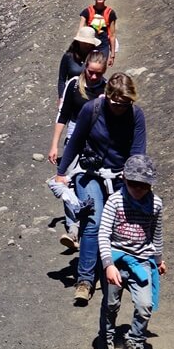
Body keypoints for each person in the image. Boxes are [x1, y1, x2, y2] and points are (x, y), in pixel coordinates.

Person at [53, 72, 146, 305]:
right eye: (116, 103)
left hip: (120, 175)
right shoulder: (92, 109)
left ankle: (119, 273)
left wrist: (132, 174)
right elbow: (75, 141)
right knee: (93, 221)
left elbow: (138, 150)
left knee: (120, 223)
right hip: (89, 172)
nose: (120, 108)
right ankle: (84, 280)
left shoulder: (136, 116)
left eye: (126, 103)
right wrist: (61, 173)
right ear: (107, 97)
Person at [98, 154, 165, 349]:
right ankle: (106, 338)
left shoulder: (155, 204)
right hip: (116, 259)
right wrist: (108, 264)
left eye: (144, 185)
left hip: (141, 260)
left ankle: (136, 341)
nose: (138, 189)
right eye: (134, 184)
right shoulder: (115, 201)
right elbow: (103, 234)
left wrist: (159, 259)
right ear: (124, 179)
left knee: (145, 305)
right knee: (110, 304)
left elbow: (156, 234)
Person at [48, 50, 108, 248]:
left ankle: (93, 225)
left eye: (98, 73)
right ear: (85, 68)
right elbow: (62, 115)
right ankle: (73, 229)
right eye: (90, 72)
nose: (93, 77)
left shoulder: (107, 89)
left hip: (96, 140)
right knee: (65, 181)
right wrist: (54, 144)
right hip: (74, 135)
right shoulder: (73, 85)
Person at [56, 25, 103, 100]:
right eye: (85, 42)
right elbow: (62, 79)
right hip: (71, 95)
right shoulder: (68, 57)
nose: (87, 45)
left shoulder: (95, 57)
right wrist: (61, 97)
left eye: (89, 42)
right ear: (79, 42)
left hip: (91, 96)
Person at [79, 0, 118, 67]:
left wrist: (112, 54)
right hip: (89, 45)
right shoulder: (86, 12)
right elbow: (80, 31)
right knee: (89, 67)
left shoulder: (110, 13)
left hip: (104, 46)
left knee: (100, 68)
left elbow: (112, 35)